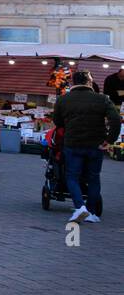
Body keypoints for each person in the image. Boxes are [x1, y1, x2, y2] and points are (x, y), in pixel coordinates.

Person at [51, 69, 119, 223]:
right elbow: (115, 120)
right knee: (94, 178)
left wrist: (69, 126)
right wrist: (109, 140)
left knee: (72, 176)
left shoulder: (63, 99)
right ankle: (92, 213)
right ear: (89, 82)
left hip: (73, 144)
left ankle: (80, 207)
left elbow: (58, 121)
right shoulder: (102, 99)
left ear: (73, 82)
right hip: (96, 144)